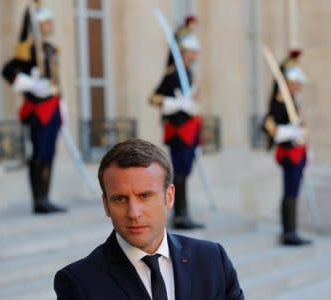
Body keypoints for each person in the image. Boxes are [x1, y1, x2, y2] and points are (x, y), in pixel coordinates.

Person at [54, 139, 244, 300]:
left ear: (169, 197)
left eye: (144, 196)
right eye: (120, 199)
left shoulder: (212, 261)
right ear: (106, 205)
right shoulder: (78, 283)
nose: (133, 213)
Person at [1, 5, 66, 214]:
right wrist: (31, 83)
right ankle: (38, 199)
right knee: (39, 153)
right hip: (39, 109)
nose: (50, 26)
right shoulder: (28, 49)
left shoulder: (50, 49)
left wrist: (61, 103)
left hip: (53, 106)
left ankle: (45, 197)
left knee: (49, 153)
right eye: (46, 23)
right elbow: (8, 70)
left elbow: (56, 80)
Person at [149, 34, 204, 229]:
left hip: (189, 130)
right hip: (178, 131)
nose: (195, 55)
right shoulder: (172, 74)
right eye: (192, 51)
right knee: (179, 172)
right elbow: (154, 98)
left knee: (185, 172)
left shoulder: (189, 74)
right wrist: (176, 103)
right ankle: (179, 214)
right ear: (183, 53)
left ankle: (183, 212)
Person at [261, 49, 311, 246]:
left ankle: (292, 229)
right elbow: (268, 125)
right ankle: (288, 231)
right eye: (296, 82)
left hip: (297, 152)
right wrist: (290, 132)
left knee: (294, 191)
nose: (298, 86)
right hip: (288, 153)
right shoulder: (279, 102)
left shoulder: (292, 101)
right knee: (290, 191)